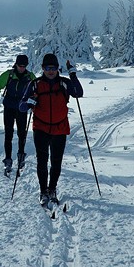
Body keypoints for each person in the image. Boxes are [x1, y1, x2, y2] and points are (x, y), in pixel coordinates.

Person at [19, 53, 83, 206]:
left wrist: (73, 74)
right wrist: (30, 101)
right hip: (40, 127)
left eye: (53, 68)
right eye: (48, 68)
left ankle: (52, 189)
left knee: (56, 162)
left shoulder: (64, 83)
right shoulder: (35, 84)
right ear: (43, 68)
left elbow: (79, 93)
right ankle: (43, 191)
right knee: (42, 161)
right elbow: (22, 107)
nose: (51, 71)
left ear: (57, 69)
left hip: (60, 128)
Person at [0, 54, 36, 174]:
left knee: (21, 133)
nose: (22, 68)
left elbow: (36, 90)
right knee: (8, 133)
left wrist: (33, 102)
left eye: (24, 66)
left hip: (22, 108)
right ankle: (8, 159)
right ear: (16, 64)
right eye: (20, 66)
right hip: (9, 107)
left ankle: (21, 156)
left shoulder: (30, 77)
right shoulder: (9, 75)